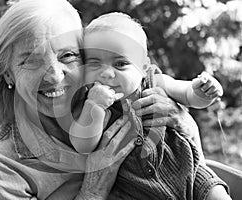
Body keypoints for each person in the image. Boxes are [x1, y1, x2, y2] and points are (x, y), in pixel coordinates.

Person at [0, 0, 219, 199]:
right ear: (8, 74)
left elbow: (193, 168)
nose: (54, 75)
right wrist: (94, 189)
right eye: (31, 60)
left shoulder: (117, 97)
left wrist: (182, 121)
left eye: (68, 55)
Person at [69, 12, 231, 200]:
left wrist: (203, 91)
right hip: (133, 187)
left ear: (144, 67)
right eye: (94, 63)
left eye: (120, 64)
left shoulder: (156, 81)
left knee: (215, 193)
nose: (106, 73)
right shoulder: (89, 100)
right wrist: (93, 108)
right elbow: (82, 144)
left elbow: (188, 95)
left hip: (185, 169)